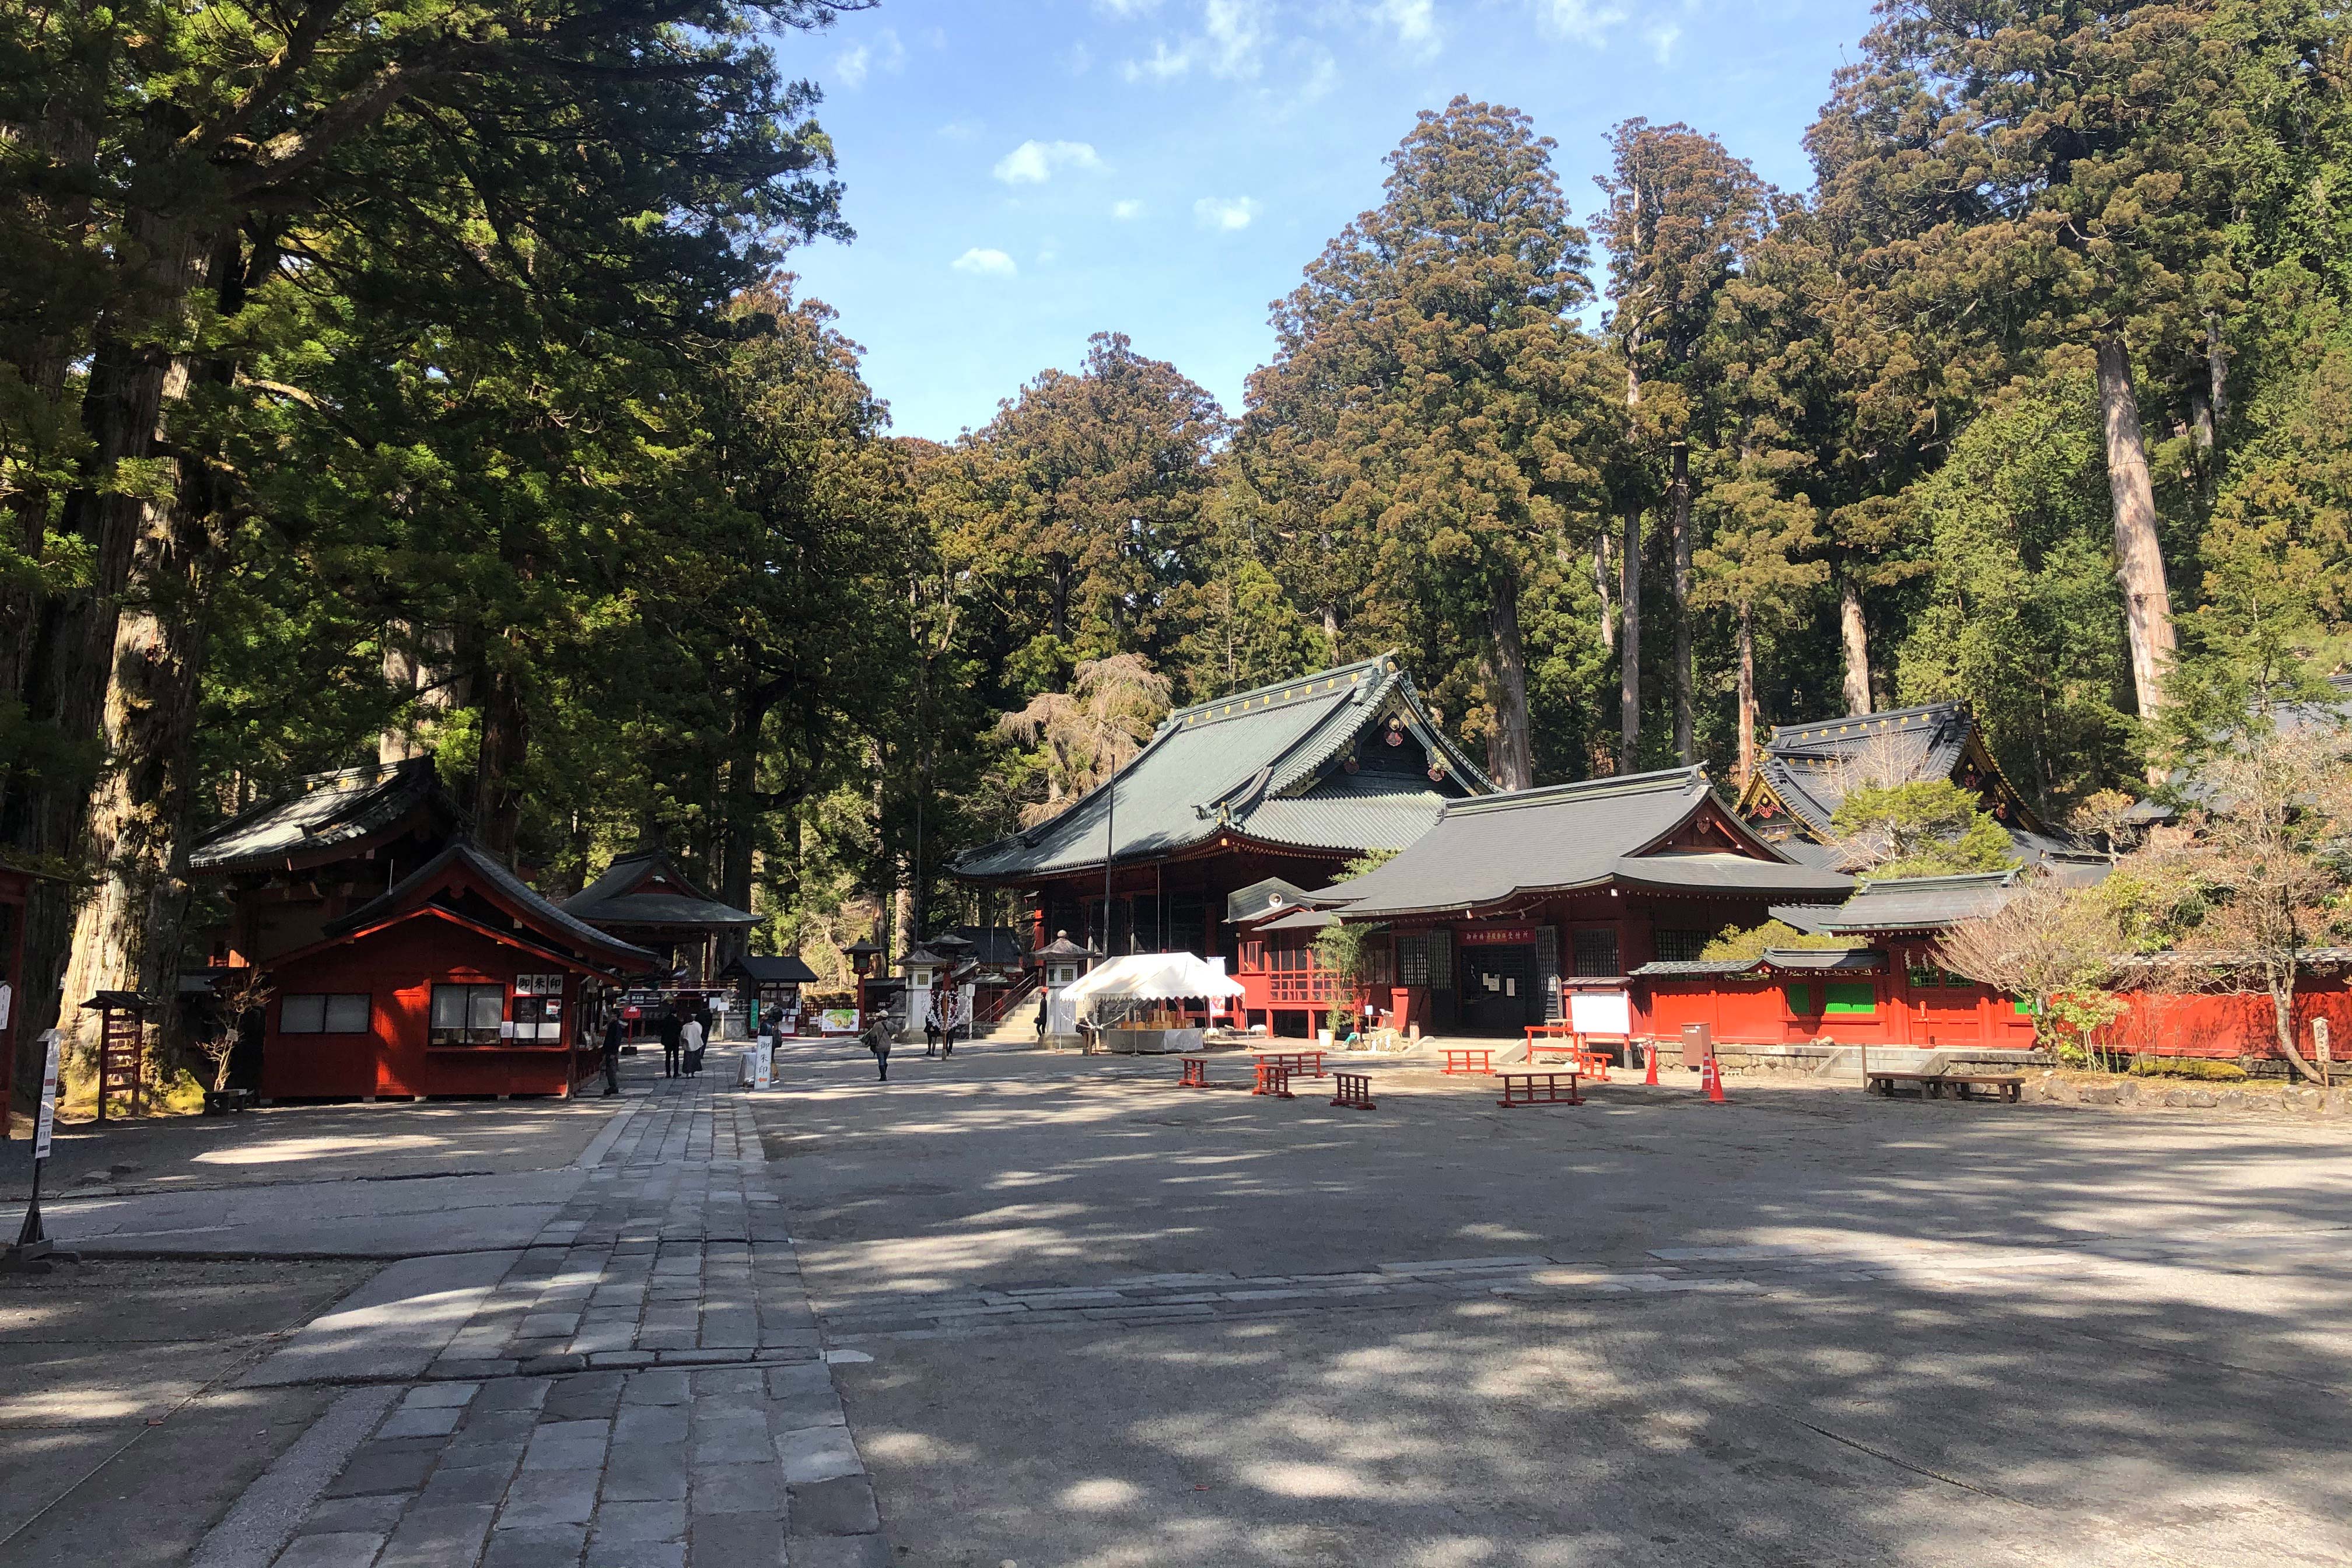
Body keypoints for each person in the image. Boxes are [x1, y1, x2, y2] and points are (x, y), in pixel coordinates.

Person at [601, 1010, 625, 1097]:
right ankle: (612, 1085)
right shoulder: (613, 1025)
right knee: (609, 1069)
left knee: (611, 1069)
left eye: (613, 1015)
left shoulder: (616, 1026)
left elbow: (616, 1040)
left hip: (612, 1051)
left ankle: (613, 1086)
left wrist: (614, 1052)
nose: (611, 1017)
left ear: (616, 1016)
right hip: (609, 1050)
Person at [864, 1012, 892, 1081]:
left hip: (880, 1045)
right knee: (885, 1060)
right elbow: (895, 1030)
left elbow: (873, 1035)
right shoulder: (890, 1024)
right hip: (888, 1045)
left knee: (881, 1060)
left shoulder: (877, 1025)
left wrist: (872, 1045)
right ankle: (884, 1074)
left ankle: (883, 1076)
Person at [657, 1007, 684, 1078]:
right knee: (676, 1057)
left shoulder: (665, 1020)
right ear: (675, 1014)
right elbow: (680, 1030)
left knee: (668, 1057)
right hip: (675, 1041)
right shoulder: (676, 1021)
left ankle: (668, 1073)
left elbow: (661, 1029)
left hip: (667, 1041)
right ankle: (676, 1073)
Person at [681, 1011, 705, 1076]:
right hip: (697, 1044)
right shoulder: (697, 1025)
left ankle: (687, 1073)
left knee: (688, 1060)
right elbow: (700, 1032)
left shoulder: (685, 1027)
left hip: (688, 1045)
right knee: (695, 1059)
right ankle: (693, 1073)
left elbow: (682, 1035)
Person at [923, 994, 942, 1058]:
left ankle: (930, 1051)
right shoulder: (938, 1014)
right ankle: (932, 1051)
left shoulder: (931, 1013)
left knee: (930, 1040)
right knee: (933, 1040)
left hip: (931, 1027)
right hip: (935, 1027)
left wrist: (930, 1026)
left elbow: (927, 1019)